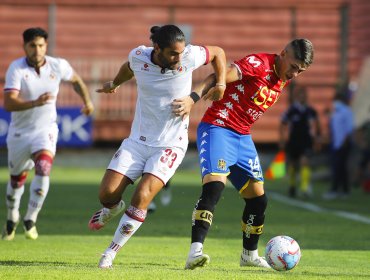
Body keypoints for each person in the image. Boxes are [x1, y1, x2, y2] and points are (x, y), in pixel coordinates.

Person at [88, 25, 226, 269]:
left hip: (170, 144)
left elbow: (218, 53)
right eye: (173, 53)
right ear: (157, 49)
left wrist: (214, 88)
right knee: (106, 194)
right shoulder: (139, 56)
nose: (179, 58)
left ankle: (110, 252)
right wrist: (114, 83)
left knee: (142, 196)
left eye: (181, 53)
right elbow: (128, 68)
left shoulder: (190, 56)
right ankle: (113, 207)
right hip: (137, 141)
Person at [184, 38, 314, 270]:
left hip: (242, 137)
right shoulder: (258, 64)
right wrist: (192, 98)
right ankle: (195, 252)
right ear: (283, 53)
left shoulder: (282, 76)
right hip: (219, 127)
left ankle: (249, 256)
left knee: (258, 200)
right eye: (294, 66)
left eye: (300, 71)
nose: (295, 74)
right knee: (214, 186)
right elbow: (217, 77)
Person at [2, 27, 94, 241]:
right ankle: (11, 217)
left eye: (41, 45)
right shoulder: (16, 69)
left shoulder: (57, 65)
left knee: (44, 167)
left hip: (45, 130)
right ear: (24, 46)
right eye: (32, 45)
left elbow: (77, 81)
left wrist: (87, 102)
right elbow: (8, 102)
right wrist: (36, 102)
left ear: (46, 45)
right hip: (20, 133)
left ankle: (31, 218)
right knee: (16, 181)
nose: (37, 50)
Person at [280, 86, 321, 198]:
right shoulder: (291, 110)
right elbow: (283, 124)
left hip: (306, 140)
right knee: (293, 164)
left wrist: (317, 139)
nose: (302, 97)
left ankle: (304, 188)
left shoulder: (311, 111)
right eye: (300, 95)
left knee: (305, 161)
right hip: (294, 140)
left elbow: (317, 125)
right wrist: (282, 139)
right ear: (297, 97)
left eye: (304, 95)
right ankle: (292, 185)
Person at [323, 91, 354, 200]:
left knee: (338, 168)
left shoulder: (346, 111)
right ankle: (345, 190)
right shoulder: (335, 112)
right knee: (340, 168)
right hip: (335, 143)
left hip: (343, 144)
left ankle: (335, 190)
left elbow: (349, 129)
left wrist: (344, 143)